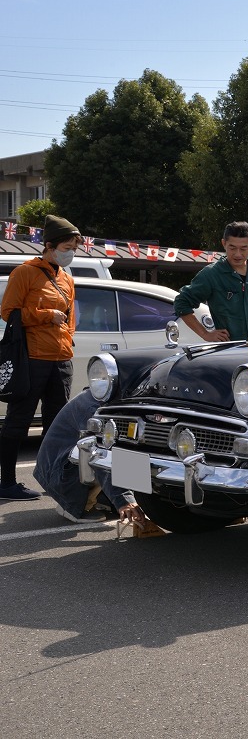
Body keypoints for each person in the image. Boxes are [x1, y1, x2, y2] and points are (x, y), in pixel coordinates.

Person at [0, 215, 80, 501]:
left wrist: (68, 339)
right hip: (32, 358)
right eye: (67, 246)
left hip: (61, 359)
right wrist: (46, 315)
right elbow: (8, 312)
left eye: (73, 247)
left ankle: (52, 479)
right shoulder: (25, 272)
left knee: (57, 424)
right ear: (49, 245)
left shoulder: (67, 279)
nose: (71, 252)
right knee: (18, 421)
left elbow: (70, 319)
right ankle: (7, 483)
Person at [33, 389, 149, 525]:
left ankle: (100, 498)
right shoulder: (93, 407)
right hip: (59, 473)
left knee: (133, 445)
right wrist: (124, 501)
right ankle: (75, 504)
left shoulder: (115, 396)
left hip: (63, 468)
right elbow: (100, 454)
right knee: (92, 449)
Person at [174, 221, 248, 341]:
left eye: (244, 248)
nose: (237, 254)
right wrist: (206, 334)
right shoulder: (212, 274)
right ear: (224, 243)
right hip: (228, 350)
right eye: (232, 248)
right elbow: (182, 302)